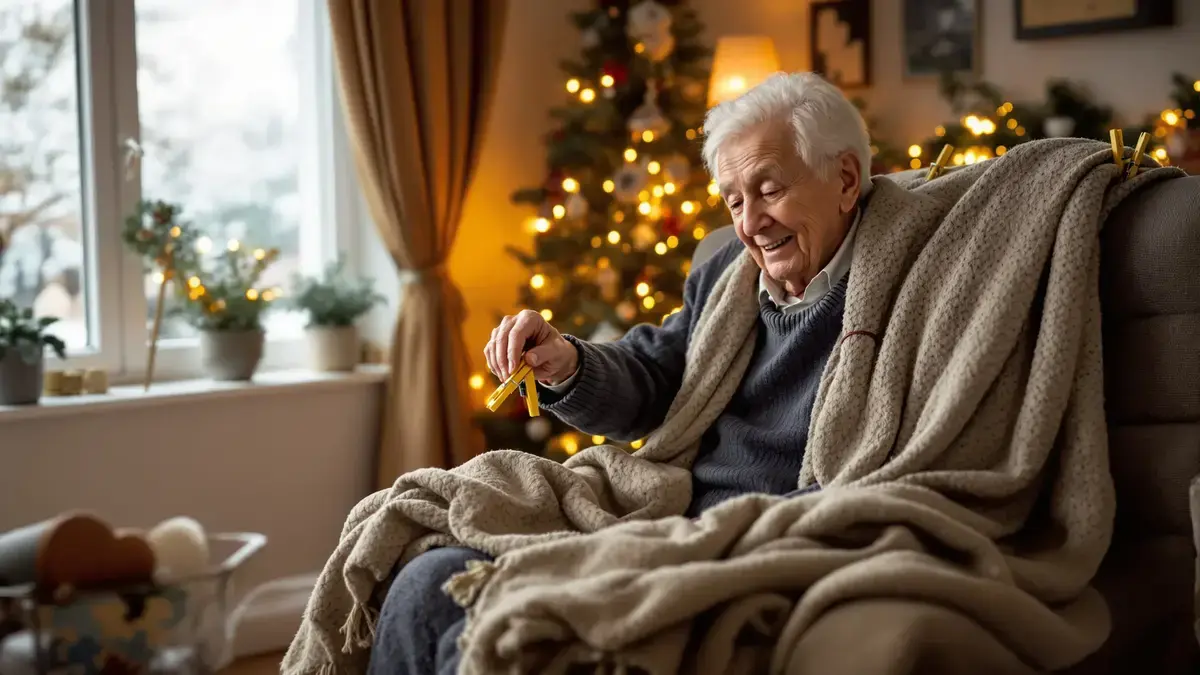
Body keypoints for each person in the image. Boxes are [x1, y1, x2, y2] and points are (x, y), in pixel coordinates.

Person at [368, 72, 870, 675]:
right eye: (735, 200)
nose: (751, 223)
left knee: (496, 639)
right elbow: (656, 374)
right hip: (673, 511)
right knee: (424, 577)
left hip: (757, 535)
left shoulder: (897, 285)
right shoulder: (725, 279)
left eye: (769, 189)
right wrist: (567, 362)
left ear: (845, 179)